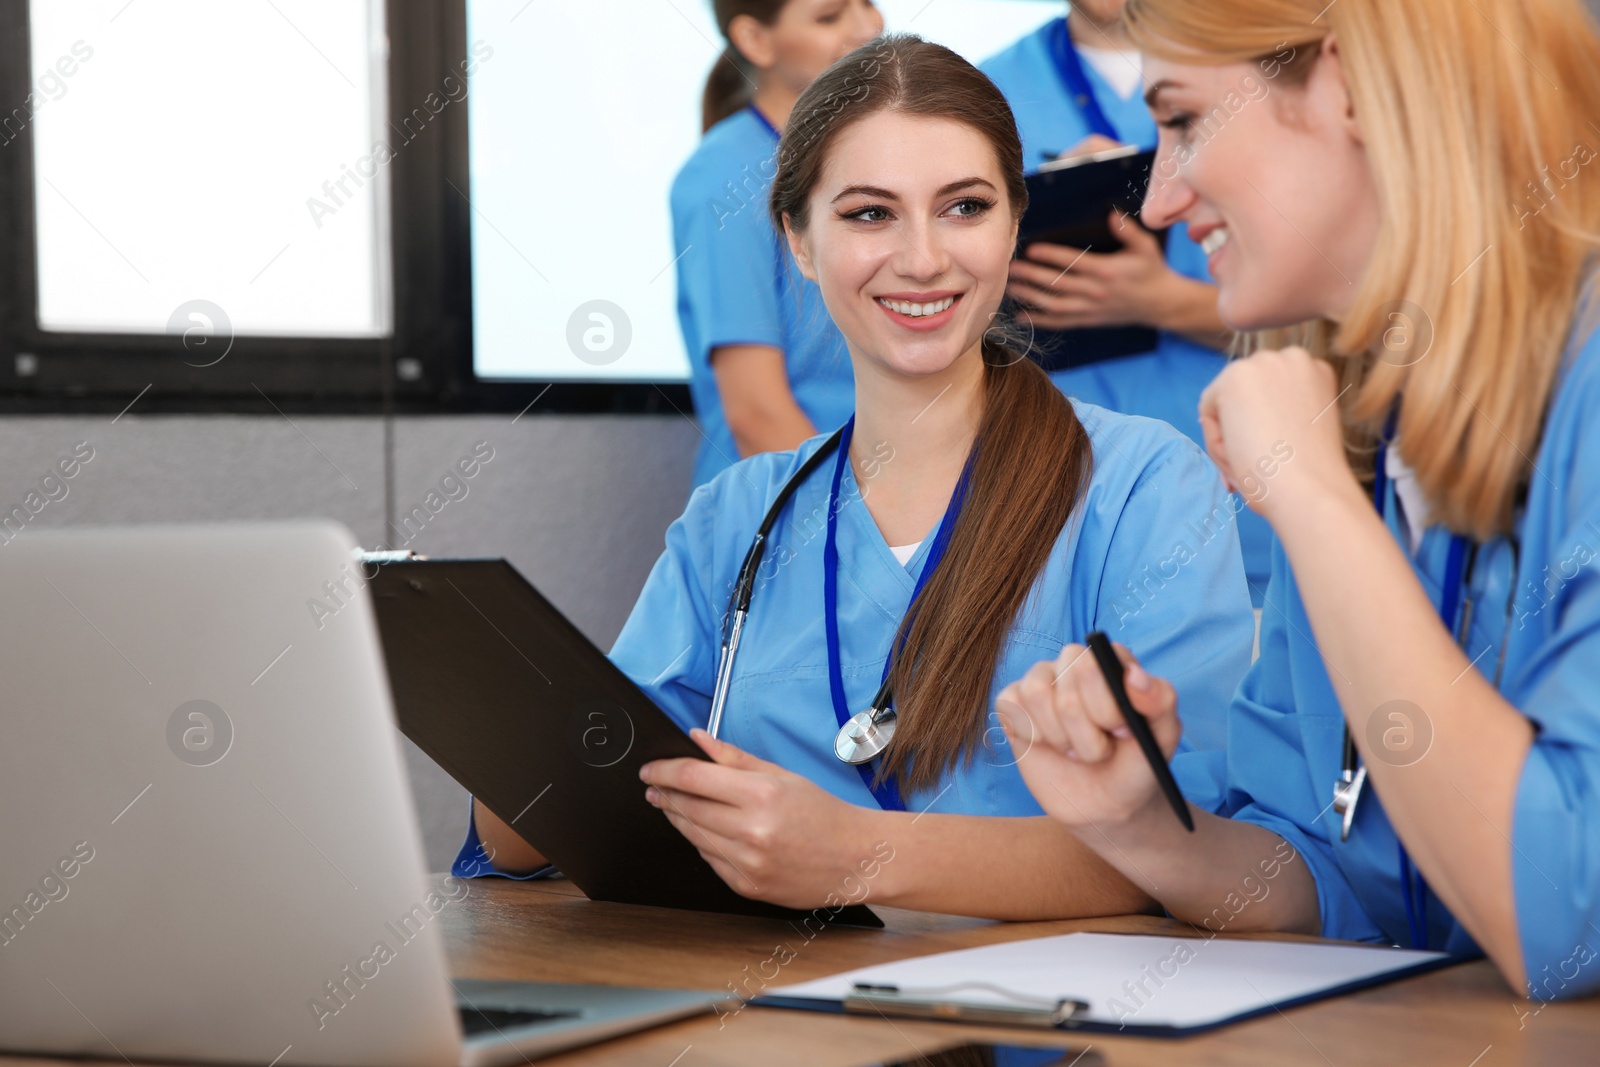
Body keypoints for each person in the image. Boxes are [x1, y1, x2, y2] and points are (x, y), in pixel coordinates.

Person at [456, 35, 1255, 920]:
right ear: (797, 240)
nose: (922, 258)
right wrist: (488, 703)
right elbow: (546, 822)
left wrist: (858, 855)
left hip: (1044, 1040)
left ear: (1014, 224)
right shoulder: (737, 519)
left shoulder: (1144, 490)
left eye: (965, 207)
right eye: (870, 214)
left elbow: (1191, 851)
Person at [999, 0, 1600, 999]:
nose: (1157, 201)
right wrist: (1143, 829)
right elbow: (1337, 872)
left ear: (1352, 85)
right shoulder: (1365, 412)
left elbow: (1564, 919)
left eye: (1183, 121)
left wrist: (1315, 500)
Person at [981, 0, 1273, 601]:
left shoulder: (1255, 57)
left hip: (1252, 492)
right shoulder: (986, 90)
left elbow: (1342, 315)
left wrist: (1163, 303)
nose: (1168, 195)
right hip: (1066, 498)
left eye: (1186, 122)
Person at [671, 0, 883, 489]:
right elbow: (757, 414)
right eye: (829, 17)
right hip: (795, 509)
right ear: (755, 41)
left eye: (869, 2)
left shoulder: (874, 158)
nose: (868, 27)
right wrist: (863, 534)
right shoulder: (724, 179)